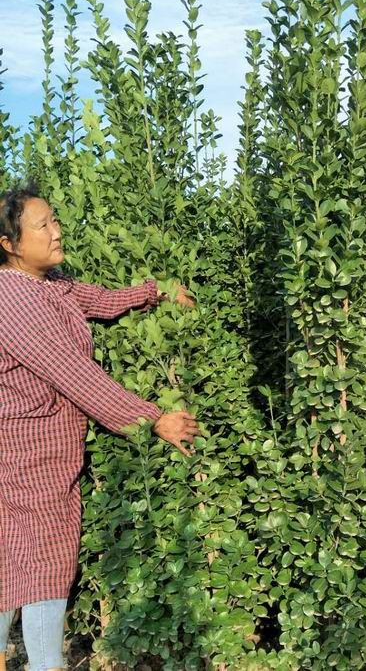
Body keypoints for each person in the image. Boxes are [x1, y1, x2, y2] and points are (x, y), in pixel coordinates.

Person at [0, 184, 201, 671]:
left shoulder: (48, 286)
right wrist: (153, 418)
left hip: (43, 454)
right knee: (46, 566)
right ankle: (47, 665)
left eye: (55, 220)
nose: (56, 231)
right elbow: (75, 374)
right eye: (42, 225)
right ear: (9, 245)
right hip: (31, 458)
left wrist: (155, 292)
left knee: (12, 562)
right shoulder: (13, 300)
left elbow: (96, 299)